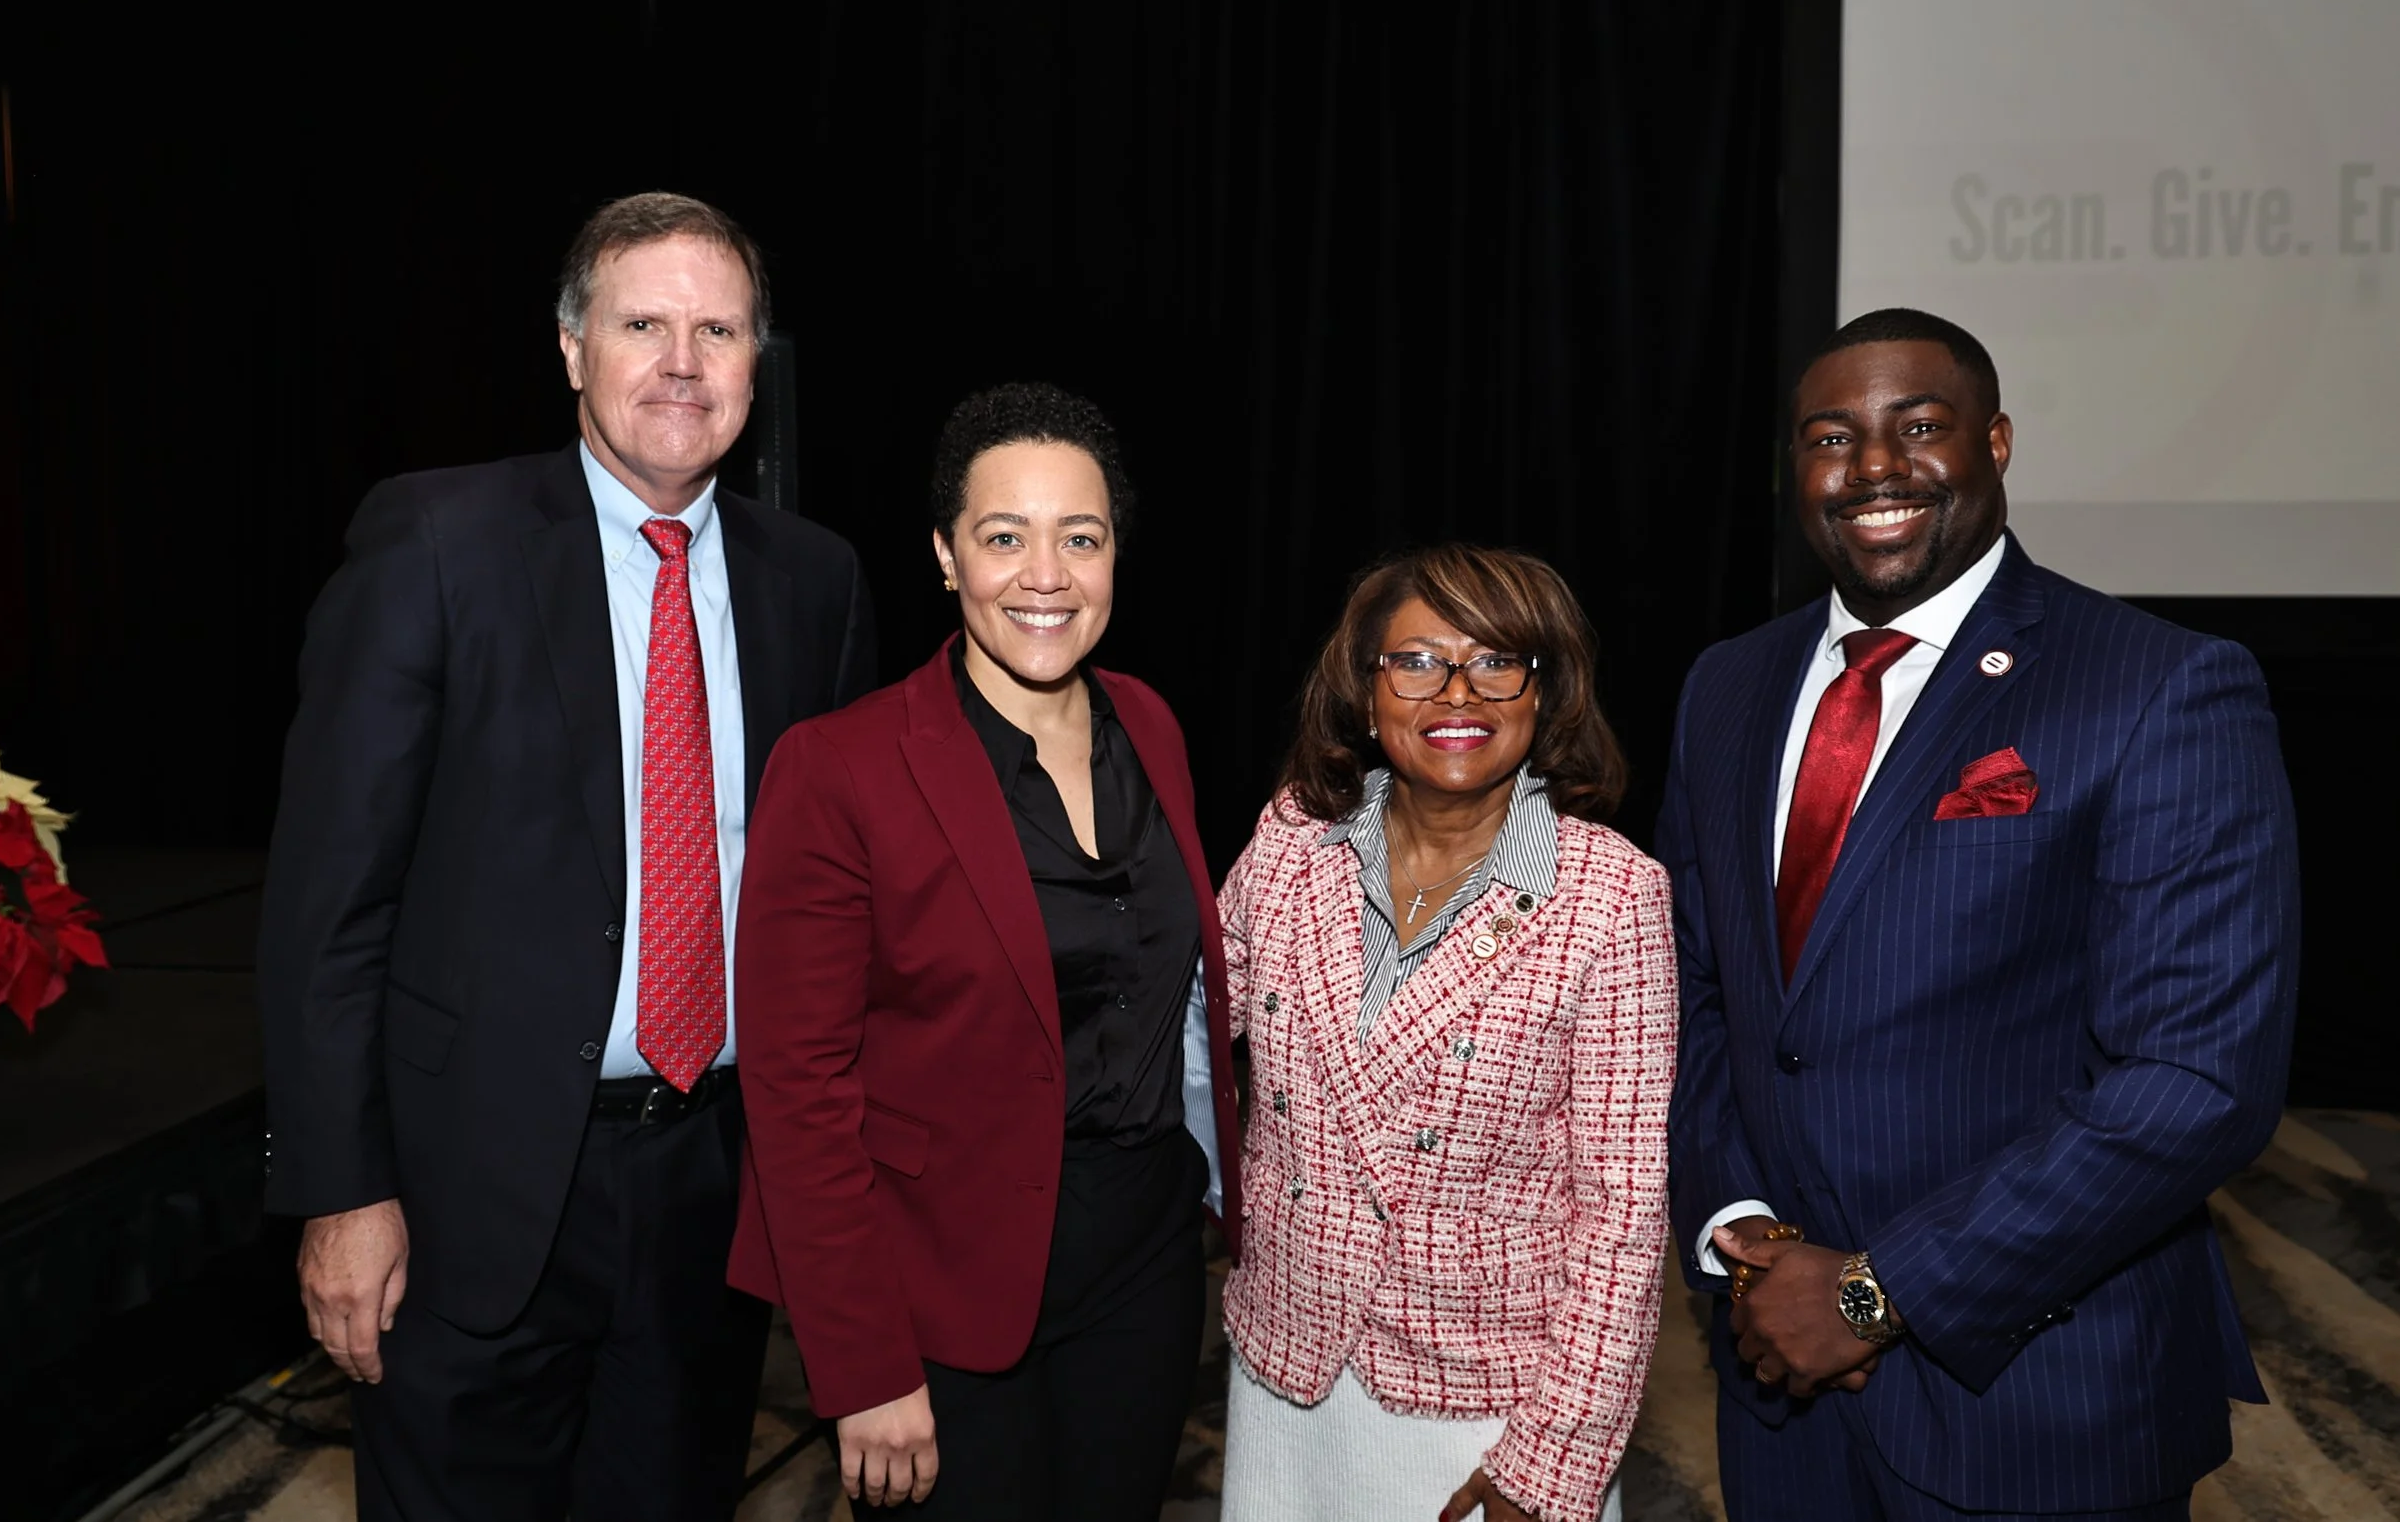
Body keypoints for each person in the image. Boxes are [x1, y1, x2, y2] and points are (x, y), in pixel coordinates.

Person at [257, 192, 877, 1521]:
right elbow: (328, 904)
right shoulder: (434, 545)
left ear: (757, 365)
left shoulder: (814, 582)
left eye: (719, 329)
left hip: (708, 1184)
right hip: (463, 1190)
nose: (683, 360)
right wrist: (343, 1187)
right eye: (642, 322)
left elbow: (833, 910)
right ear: (569, 346)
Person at [1661, 308, 2299, 1520]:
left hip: (2033, 1392)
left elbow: (2194, 1081)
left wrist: (1868, 1292)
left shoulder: (2157, 682)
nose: (1874, 467)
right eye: (1831, 437)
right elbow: (1698, 992)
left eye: (1918, 426)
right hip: (1775, 1389)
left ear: (1995, 442)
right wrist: (1740, 1226)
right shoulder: (1727, 684)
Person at [731, 382, 1242, 1519]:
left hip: (1143, 1262)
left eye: (1081, 537)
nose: (1044, 573)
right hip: (940, 1283)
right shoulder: (839, 767)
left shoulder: (1150, 724)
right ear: (945, 556)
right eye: (1003, 536)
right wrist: (862, 1363)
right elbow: (795, 1089)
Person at [1217, 545, 1676, 1522]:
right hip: (1285, 1365)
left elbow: (1622, 1214)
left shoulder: (1610, 894)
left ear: (1545, 690)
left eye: (1496, 659)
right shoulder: (1292, 837)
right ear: (1366, 687)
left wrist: (1553, 1460)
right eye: (1416, 660)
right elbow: (1190, 1021)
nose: (1455, 691)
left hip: (1485, 1404)